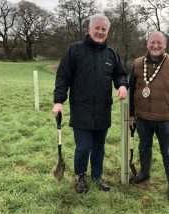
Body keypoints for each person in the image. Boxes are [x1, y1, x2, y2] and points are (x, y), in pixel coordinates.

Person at [53, 14, 128, 193]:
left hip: (103, 109)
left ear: (107, 33)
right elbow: (63, 76)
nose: (100, 32)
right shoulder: (75, 50)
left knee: (99, 147)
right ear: (89, 29)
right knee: (84, 146)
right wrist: (58, 101)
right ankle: (80, 175)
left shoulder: (111, 53)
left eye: (104, 29)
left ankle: (97, 176)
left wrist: (123, 85)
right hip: (81, 108)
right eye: (97, 28)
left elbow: (120, 74)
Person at [129, 31, 169, 201]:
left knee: (168, 151)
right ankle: (144, 174)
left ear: (165, 45)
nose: (155, 46)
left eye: (159, 43)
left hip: (165, 118)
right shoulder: (137, 63)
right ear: (147, 44)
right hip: (142, 118)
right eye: (152, 42)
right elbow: (132, 89)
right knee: (143, 147)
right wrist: (132, 114)